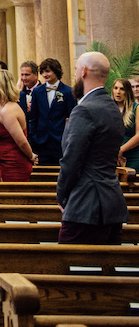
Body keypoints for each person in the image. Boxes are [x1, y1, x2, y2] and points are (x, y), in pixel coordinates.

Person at [57, 52, 129, 245]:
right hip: (112, 203)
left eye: (75, 70)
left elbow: (71, 161)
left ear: (84, 71)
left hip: (85, 205)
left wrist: (63, 198)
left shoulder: (85, 110)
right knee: (107, 263)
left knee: (68, 261)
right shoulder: (112, 107)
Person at [0, 69, 35, 181]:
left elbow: (22, 142)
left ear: (2, 87)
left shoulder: (8, 110)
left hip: (14, 165)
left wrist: (31, 156)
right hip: (3, 164)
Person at [28, 57, 77, 166]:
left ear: (56, 71)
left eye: (48, 71)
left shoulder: (68, 92)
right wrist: (34, 137)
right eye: (43, 72)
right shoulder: (37, 91)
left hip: (60, 141)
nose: (45, 74)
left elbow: (72, 117)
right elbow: (33, 117)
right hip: (41, 142)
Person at [112, 78, 139, 170]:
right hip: (113, 156)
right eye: (115, 88)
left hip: (133, 155)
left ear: (127, 91)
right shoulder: (109, 109)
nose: (118, 92)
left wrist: (121, 150)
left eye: (122, 89)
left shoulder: (136, 108)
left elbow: (138, 135)